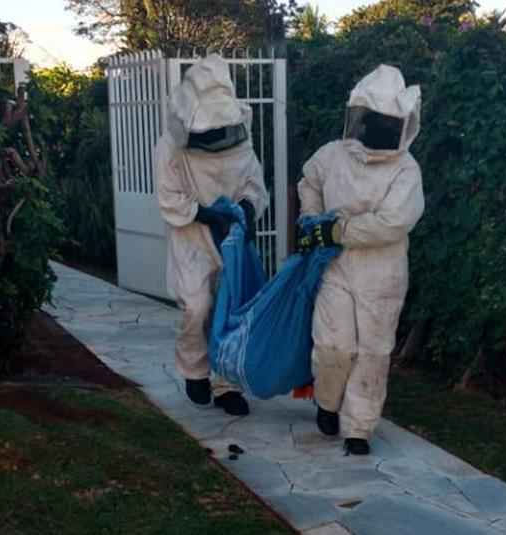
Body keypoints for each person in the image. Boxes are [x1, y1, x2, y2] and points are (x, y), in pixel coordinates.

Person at [297, 65, 424, 454]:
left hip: (381, 273)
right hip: (334, 265)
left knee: (373, 350)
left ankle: (359, 428)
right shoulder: (332, 155)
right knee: (333, 344)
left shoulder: (406, 169)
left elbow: (393, 223)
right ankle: (328, 402)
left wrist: (337, 231)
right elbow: (309, 182)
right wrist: (311, 220)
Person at [155, 54, 268, 416]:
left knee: (231, 307)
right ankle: (194, 370)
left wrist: (247, 212)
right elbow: (170, 198)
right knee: (197, 306)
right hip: (191, 237)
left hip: (231, 239)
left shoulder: (241, 137)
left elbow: (254, 185)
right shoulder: (169, 147)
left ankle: (226, 385)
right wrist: (206, 214)